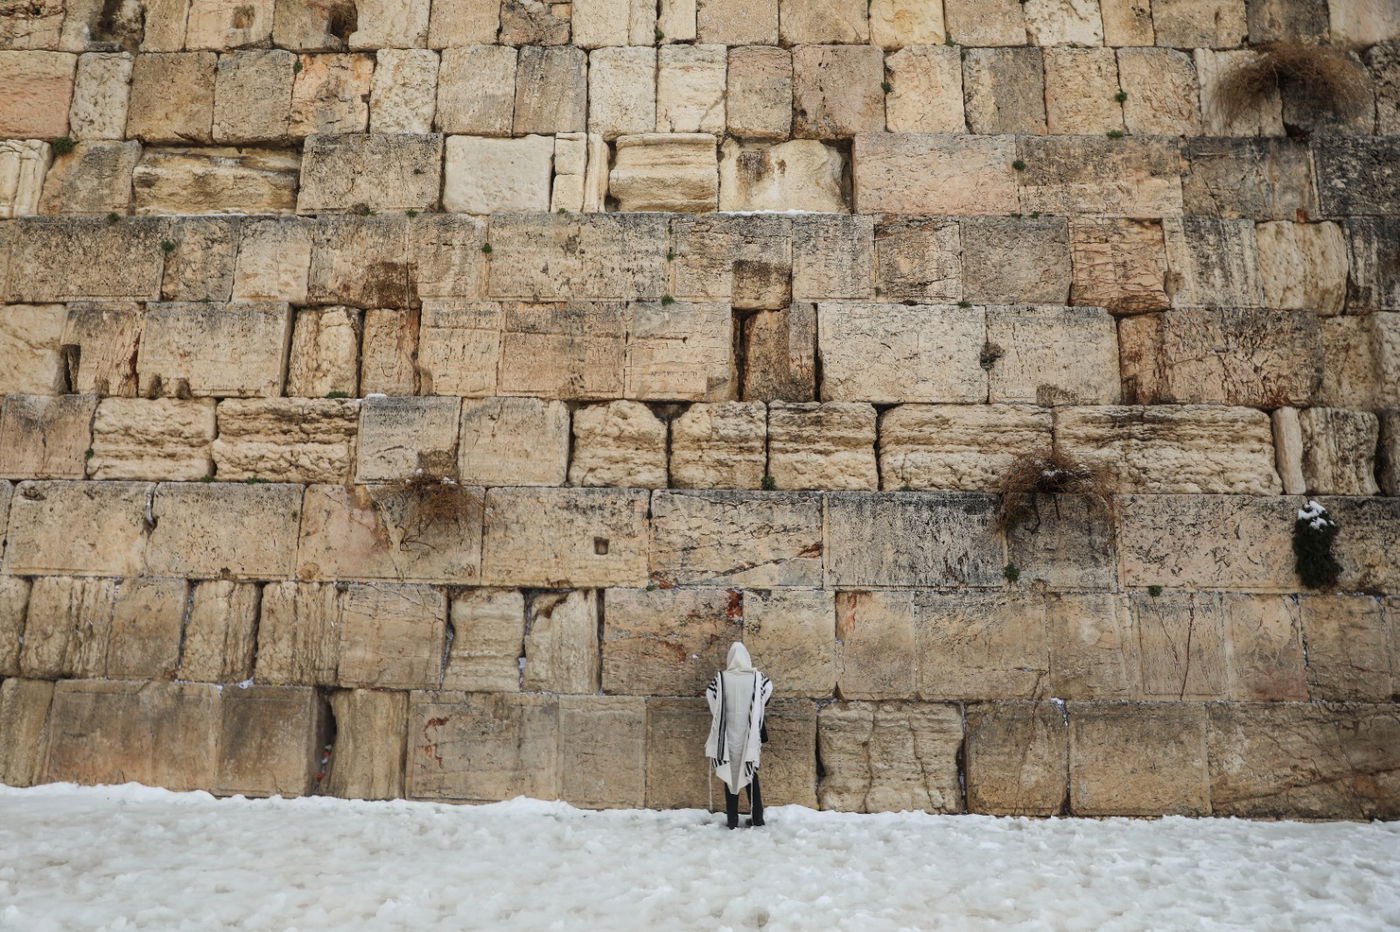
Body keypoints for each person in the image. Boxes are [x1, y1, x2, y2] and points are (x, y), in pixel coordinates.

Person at [704, 642, 773, 829]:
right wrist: (756, 710)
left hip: (728, 733)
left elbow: (711, 696)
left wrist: (719, 714)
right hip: (749, 734)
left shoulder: (720, 679)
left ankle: (732, 819)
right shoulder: (759, 678)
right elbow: (768, 691)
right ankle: (757, 817)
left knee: (730, 773)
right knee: (751, 771)